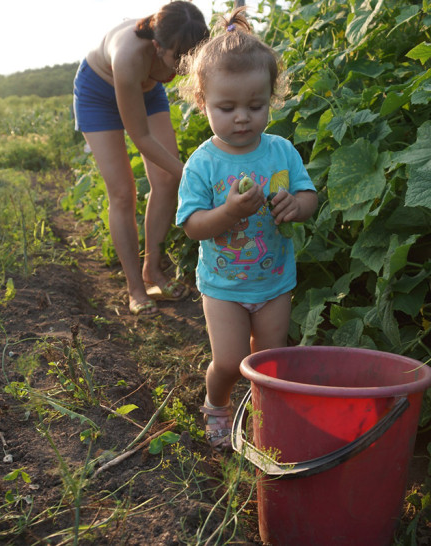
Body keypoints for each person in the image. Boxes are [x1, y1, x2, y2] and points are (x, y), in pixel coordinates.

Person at [176, 7, 319, 450]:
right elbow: (193, 226)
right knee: (229, 360)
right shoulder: (203, 163)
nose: (242, 117)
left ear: (271, 98)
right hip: (224, 285)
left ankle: (264, 418)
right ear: (202, 101)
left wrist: (296, 205)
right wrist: (229, 213)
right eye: (227, 107)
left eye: (255, 106)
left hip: (274, 279)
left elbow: (309, 197)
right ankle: (217, 404)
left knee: (270, 360)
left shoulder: (281, 152)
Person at [73, 1, 209, 316]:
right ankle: (135, 288)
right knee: (123, 193)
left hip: (146, 90)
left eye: (193, 57)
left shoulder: (183, 40)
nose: (186, 66)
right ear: (157, 46)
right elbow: (142, 138)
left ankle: (153, 271)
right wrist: (192, 173)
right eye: (180, 59)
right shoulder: (129, 56)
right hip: (98, 93)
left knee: (167, 180)